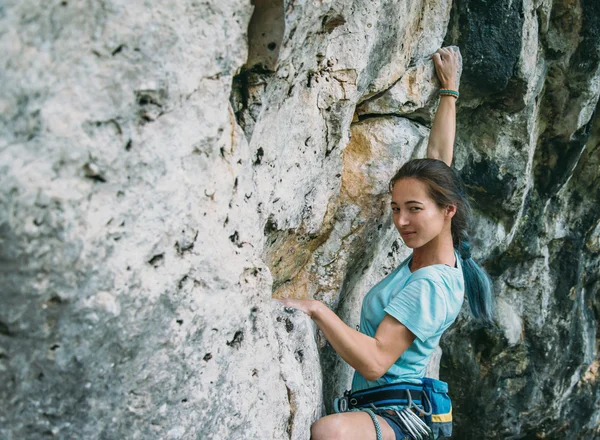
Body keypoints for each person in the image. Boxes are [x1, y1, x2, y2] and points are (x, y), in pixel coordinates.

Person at [277, 46, 494, 440]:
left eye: (413, 209)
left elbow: (376, 361)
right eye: (395, 208)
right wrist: (450, 91)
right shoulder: (442, 251)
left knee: (332, 432)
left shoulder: (430, 283)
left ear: (448, 210)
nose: (401, 221)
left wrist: (316, 309)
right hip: (387, 408)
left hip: (400, 417)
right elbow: (439, 160)